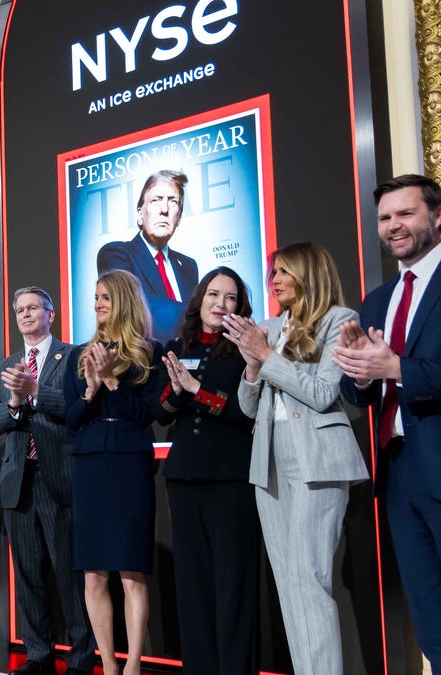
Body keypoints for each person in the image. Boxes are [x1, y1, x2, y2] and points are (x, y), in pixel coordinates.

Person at [223, 241, 368, 675]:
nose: (275, 280)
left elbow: (325, 394)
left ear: (309, 273)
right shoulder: (267, 326)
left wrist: (266, 356)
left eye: (284, 271)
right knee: (288, 585)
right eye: (273, 272)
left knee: (309, 581)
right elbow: (250, 407)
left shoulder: (339, 320)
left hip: (317, 459)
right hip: (269, 462)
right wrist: (252, 368)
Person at [334, 174, 441, 673]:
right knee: (433, 624)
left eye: (404, 214)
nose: (393, 226)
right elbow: (355, 390)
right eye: (385, 218)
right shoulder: (378, 300)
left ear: (437, 215)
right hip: (400, 475)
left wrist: (398, 369)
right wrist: (363, 373)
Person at [153, 267, 260, 674]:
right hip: (184, 478)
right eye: (213, 295)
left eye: (230, 297)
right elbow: (161, 414)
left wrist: (200, 392)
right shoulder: (179, 345)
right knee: (193, 587)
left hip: (230, 478)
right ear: (200, 301)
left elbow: (245, 413)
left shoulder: (248, 348)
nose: (221, 304)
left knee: (233, 585)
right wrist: (176, 391)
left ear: (240, 305)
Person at [0, 286, 95, 675]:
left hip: (59, 480)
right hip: (18, 482)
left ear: (51, 314)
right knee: (28, 575)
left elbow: (78, 408)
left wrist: (35, 392)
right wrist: (15, 403)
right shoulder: (9, 363)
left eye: (33, 308)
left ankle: (82, 657)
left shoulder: (72, 357)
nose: (26, 315)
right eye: (20, 310)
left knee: (70, 574)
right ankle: (38, 655)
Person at [64, 270, 162, 675]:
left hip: (129, 464)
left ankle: (134, 666)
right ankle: (107, 664)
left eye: (106, 297)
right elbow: (71, 418)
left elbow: (148, 416)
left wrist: (111, 381)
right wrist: (89, 390)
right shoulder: (77, 354)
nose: (98, 303)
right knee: (93, 572)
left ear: (123, 300)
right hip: (89, 466)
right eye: (96, 296)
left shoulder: (150, 352)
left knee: (131, 570)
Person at [97, 170, 199, 343]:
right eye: (156, 200)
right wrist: (205, 316)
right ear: (140, 215)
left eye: (173, 201)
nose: (164, 210)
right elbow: (137, 308)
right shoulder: (115, 253)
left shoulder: (189, 266)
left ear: (179, 217)